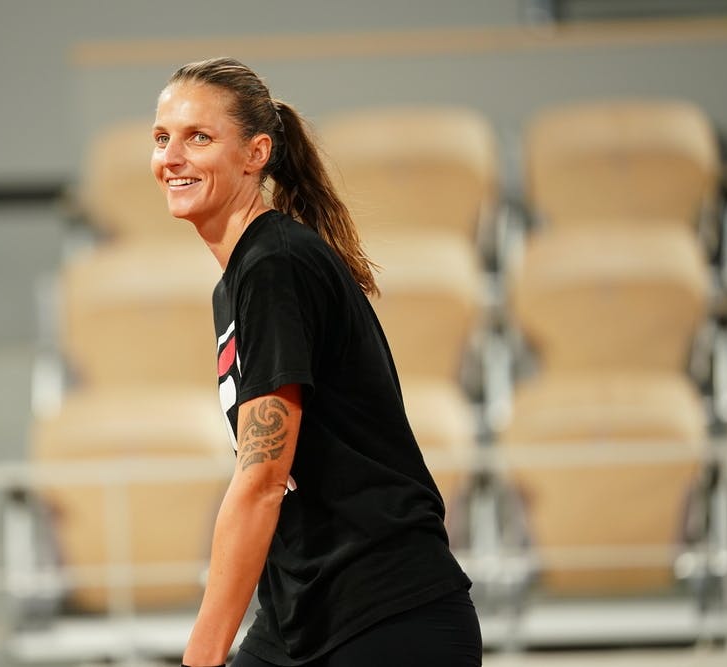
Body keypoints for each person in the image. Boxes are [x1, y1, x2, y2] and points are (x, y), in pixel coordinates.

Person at [150, 56, 482, 667]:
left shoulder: (274, 265)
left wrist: (200, 657)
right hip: (300, 615)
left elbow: (262, 481)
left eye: (199, 137)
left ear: (256, 154)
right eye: (162, 137)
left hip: (386, 615)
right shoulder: (241, 279)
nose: (171, 157)